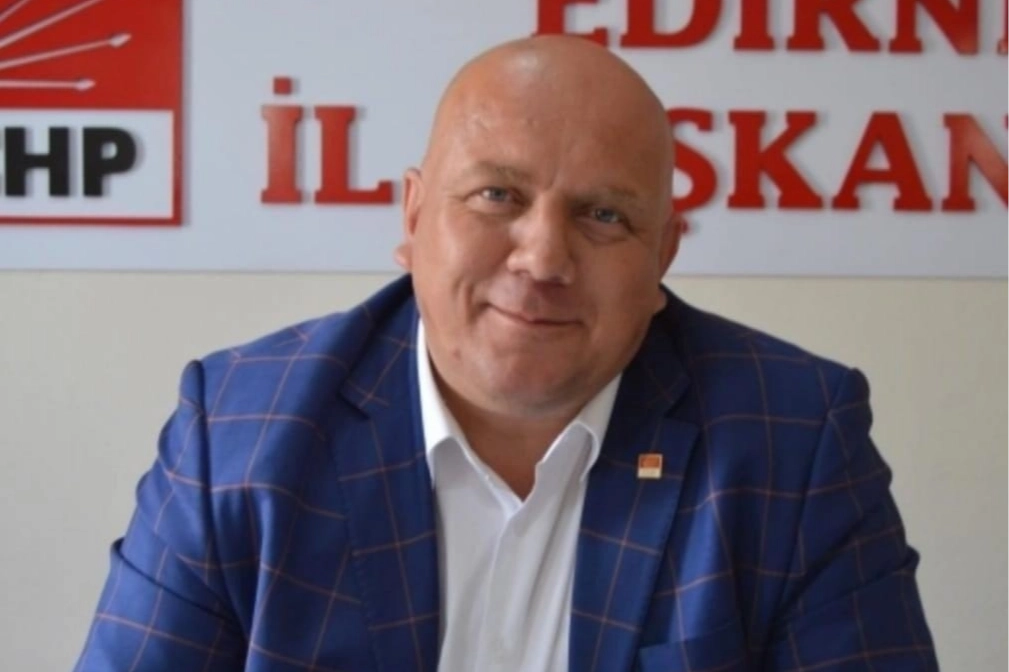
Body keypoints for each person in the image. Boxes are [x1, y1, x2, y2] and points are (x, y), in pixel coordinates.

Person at [73, 36, 937, 671]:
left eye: (603, 215)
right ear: (414, 218)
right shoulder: (238, 432)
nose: (542, 259)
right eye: (497, 195)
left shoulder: (793, 442)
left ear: (662, 257)